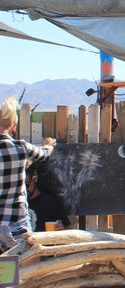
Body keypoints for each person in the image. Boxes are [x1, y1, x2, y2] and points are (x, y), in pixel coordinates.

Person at [0, 97, 57, 241]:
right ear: (14, 126)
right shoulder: (21, 148)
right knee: (23, 262)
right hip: (17, 225)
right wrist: (49, 145)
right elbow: (44, 155)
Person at [26, 162, 71, 232]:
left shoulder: (53, 202)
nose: (24, 190)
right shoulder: (13, 203)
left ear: (35, 179)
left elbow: (68, 231)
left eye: (27, 185)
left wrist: (61, 229)